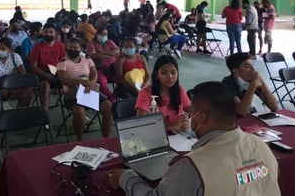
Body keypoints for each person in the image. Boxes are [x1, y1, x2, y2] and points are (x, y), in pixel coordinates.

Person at [109, 81, 280, 196]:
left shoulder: (193, 167)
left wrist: (126, 177)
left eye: (191, 112)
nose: (189, 116)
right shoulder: (262, 146)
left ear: (201, 117)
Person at [57, 38, 113, 141]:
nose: (73, 50)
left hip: (89, 91)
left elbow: (94, 74)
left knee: (108, 107)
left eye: (76, 48)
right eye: (70, 48)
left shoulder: (87, 59)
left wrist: (91, 82)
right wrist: (82, 82)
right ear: (66, 48)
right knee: (79, 112)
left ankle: (106, 138)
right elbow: (64, 80)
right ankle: (80, 139)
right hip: (73, 94)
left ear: (80, 49)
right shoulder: (63, 62)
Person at [0, 37, 32, 129]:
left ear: (9, 50)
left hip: (13, 84)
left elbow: (23, 75)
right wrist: (2, 87)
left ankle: (19, 117)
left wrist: (12, 87)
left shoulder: (15, 57)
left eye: (3, 49)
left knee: (28, 92)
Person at [135, 55, 191, 132]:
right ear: (156, 74)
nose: (170, 76)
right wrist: (171, 127)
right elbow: (141, 122)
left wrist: (185, 121)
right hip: (153, 136)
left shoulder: (180, 90)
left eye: (173, 72)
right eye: (164, 73)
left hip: (177, 137)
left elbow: (191, 110)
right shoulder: (146, 93)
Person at [222, 52, 278, 117]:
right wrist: (253, 85)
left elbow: (274, 107)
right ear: (235, 71)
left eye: (252, 66)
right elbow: (241, 112)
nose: (253, 69)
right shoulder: (227, 84)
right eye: (247, 66)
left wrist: (260, 80)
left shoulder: (249, 80)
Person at [30, 22, 66, 111]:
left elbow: (64, 61)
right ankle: (45, 114)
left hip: (57, 73)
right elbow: (33, 66)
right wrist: (45, 75)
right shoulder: (37, 47)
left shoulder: (60, 45)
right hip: (42, 74)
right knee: (45, 86)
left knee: (76, 81)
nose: (48, 34)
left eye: (51, 32)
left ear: (55, 33)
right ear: (42, 33)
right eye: (46, 32)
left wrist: (60, 72)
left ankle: (78, 109)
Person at [86, 26, 120, 101]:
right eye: (102, 34)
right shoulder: (91, 43)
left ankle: (111, 98)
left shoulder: (109, 42)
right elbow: (93, 55)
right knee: (102, 82)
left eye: (105, 34)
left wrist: (104, 53)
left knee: (122, 81)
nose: (104, 36)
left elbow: (117, 51)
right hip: (99, 69)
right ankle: (108, 100)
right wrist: (109, 55)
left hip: (112, 68)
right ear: (97, 34)